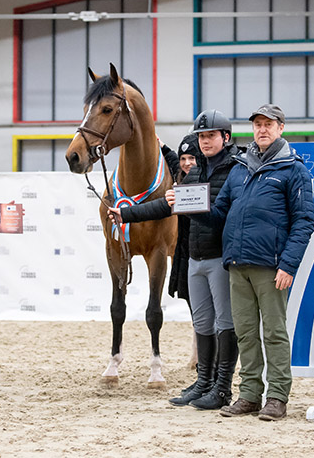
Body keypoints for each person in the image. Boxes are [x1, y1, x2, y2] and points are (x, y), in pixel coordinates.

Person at [180, 104, 314, 421]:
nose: (262, 129)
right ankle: (250, 395)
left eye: (268, 124)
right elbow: (219, 215)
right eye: (257, 125)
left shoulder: (293, 169)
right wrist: (191, 207)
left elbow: (304, 222)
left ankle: (277, 397)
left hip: (271, 266)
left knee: (274, 333)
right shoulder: (240, 169)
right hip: (237, 264)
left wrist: (288, 265)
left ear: (281, 128)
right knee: (245, 333)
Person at [110, 109, 242, 410]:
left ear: (225, 137)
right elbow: (165, 207)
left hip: (220, 256)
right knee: (203, 322)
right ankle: (203, 382)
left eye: (211, 136)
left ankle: (222, 388)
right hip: (195, 257)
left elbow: (224, 215)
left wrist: (193, 207)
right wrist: (126, 214)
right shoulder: (194, 172)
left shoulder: (235, 170)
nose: (205, 141)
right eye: (202, 136)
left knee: (224, 323)